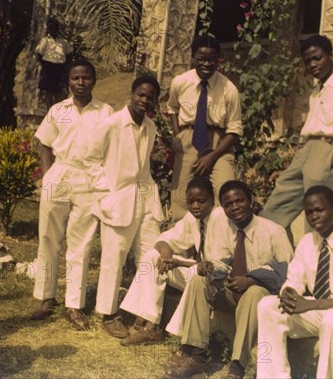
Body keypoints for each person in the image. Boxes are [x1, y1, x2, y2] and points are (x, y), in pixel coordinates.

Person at [164, 180, 294, 379]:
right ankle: (198, 356)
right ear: (222, 208)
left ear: (250, 200)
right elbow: (223, 264)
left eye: (239, 201)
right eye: (228, 205)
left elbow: (287, 276)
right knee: (200, 280)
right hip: (232, 294)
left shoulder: (274, 232)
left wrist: (251, 279)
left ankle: (237, 367)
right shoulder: (225, 227)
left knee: (254, 292)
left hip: (261, 299)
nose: (235, 208)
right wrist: (210, 267)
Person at [256, 186, 333, 379]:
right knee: (267, 306)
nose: (314, 216)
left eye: (320, 210)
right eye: (309, 212)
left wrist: (311, 304)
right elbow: (294, 279)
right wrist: (289, 293)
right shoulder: (307, 242)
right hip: (319, 311)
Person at [31, 59, 113, 331]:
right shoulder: (59, 110)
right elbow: (44, 142)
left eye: (86, 78)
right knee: (49, 236)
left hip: (90, 178)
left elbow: (113, 150)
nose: (81, 82)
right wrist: (47, 176)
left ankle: (73, 305)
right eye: (76, 78)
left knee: (82, 242)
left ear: (94, 80)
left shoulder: (105, 112)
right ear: (69, 81)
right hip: (60, 172)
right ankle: (46, 296)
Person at [261, 34, 333, 233]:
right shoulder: (317, 90)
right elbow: (312, 132)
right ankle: (279, 260)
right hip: (307, 151)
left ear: (330, 55)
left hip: (330, 149)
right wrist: (294, 167)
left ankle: (317, 263)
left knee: (317, 219)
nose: (312, 64)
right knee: (274, 209)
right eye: (308, 61)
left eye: (317, 58)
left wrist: (328, 163)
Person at [88, 75, 164, 338]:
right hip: (117, 200)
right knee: (114, 258)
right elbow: (92, 161)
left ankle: (146, 314)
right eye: (140, 95)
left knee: (151, 256)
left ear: (155, 101)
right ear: (132, 94)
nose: (144, 100)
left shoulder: (151, 127)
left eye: (150, 97)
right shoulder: (111, 124)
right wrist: (105, 194)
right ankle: (109, 314)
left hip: (145, 197)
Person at [118, 176, 229, 346]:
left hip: (217, 280)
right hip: (196, 272)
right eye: (190, 202)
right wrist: (167, 256)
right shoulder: (193, 217)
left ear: (212, 199)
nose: (195, 206)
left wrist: (180, 263)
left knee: (194, 274)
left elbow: (217, 267)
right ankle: (151, 326)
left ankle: (179, 334)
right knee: (152, 257)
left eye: (201, 201)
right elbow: (166, 239)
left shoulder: (220, 217)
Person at [167, 35, 242, 221]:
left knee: (226, 193)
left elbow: (234, 130)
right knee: (182, 196)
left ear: (219, 59)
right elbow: (172, 108)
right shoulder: (180, 82)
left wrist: (213, 156)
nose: (207, 64)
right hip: (187, 139)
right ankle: (181, 247)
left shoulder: (229, 89)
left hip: (219, 143)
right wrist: (178, 137)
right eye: (201, 59)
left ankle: (216, 243)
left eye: (212, 59)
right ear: (192, 57)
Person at [35, 17, 73, 109]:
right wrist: (43, 65)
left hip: (60, 68)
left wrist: (66, 67)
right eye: (50, 28)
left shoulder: (63, 42)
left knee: (62, 91)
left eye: (54, 28)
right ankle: (49, 113)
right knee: (49, 92)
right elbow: (39, 54)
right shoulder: (45, 41)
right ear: (48, 29)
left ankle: (59, 111)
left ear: (57, 28)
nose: (52, 30)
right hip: (48, 68)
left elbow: (69, 54)